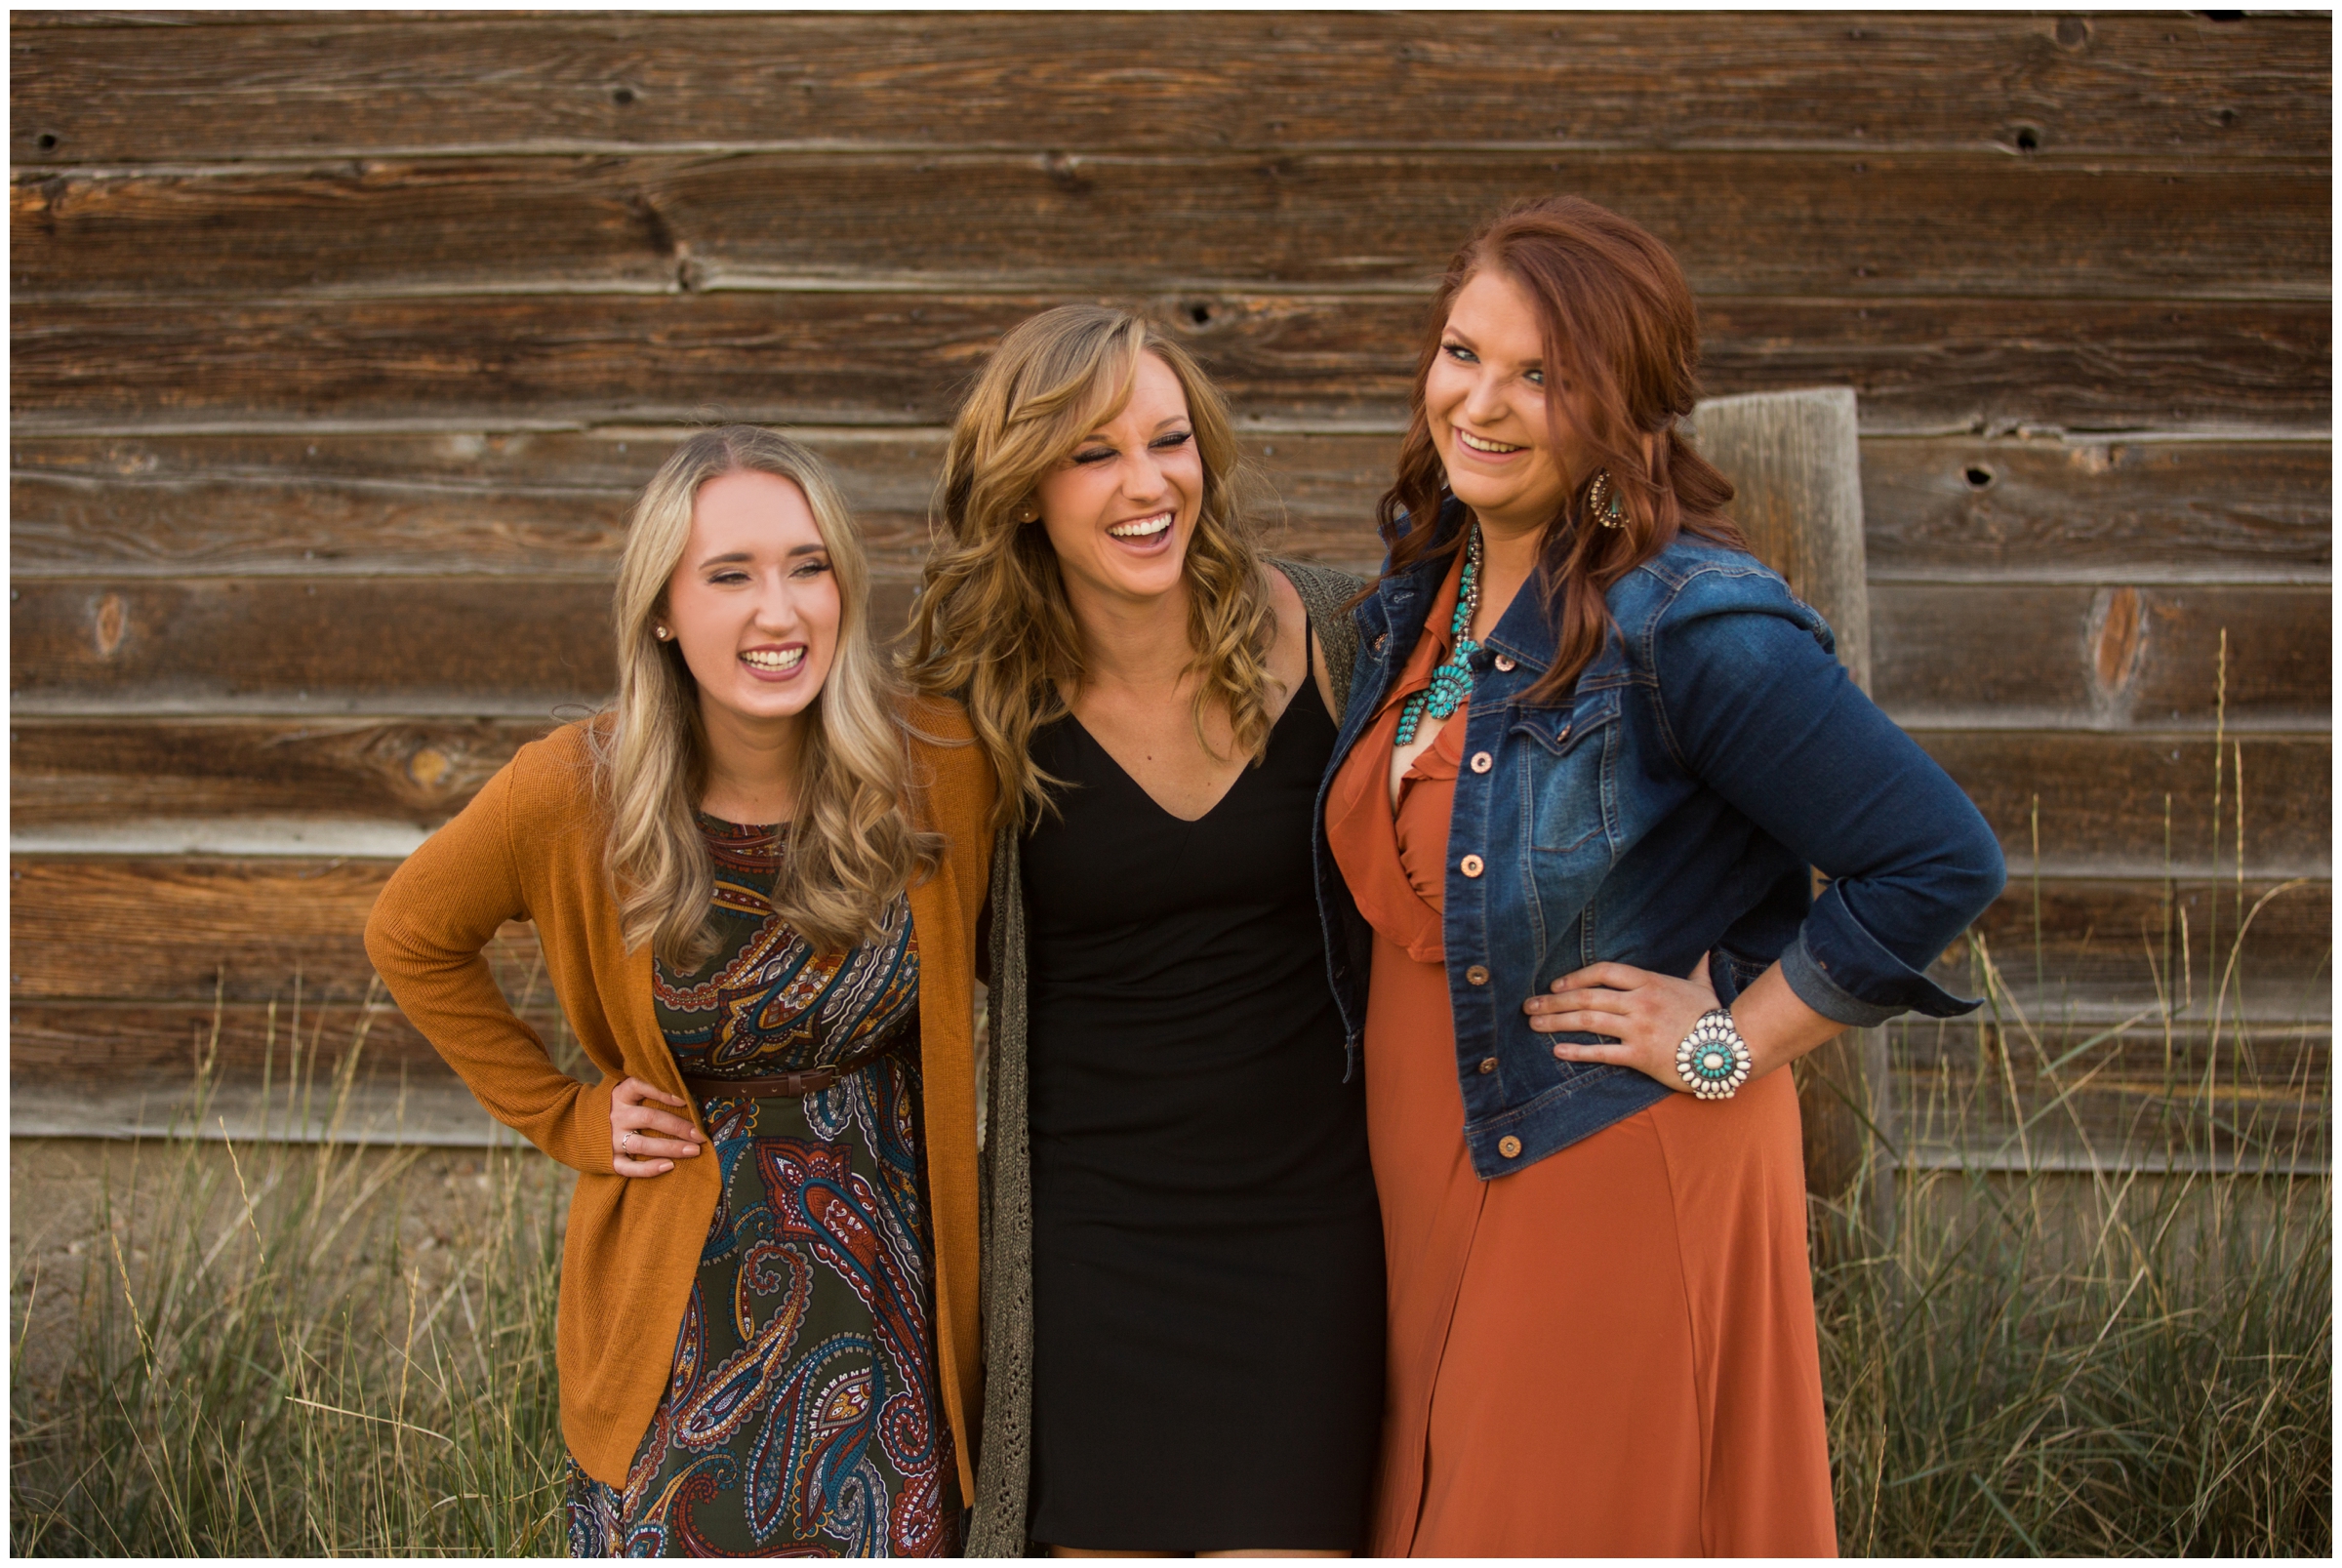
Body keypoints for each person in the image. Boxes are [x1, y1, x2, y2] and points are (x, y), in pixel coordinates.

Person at [1315, 195, 2008, 1555]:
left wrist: (1726, 1043)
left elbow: (1938, 857)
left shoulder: (1686, 619)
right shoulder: (1425, 592)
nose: (1485, 401)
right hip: (1427, 1149)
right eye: (1465, 352)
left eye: (1545, 376)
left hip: (1595, 1150)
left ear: (1628, 403)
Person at [364, 425, 994, 1556]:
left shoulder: (937, 759)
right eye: (731, 575)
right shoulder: (574, 790)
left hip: (897, 1295)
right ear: (661, 607)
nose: (781, 610)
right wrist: (563, 1114)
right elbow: (409, 932)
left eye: (809, 566)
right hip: (679, 1313)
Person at [901, 305, 1386, 1555]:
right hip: (1092, 1244)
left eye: (1169, 440)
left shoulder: (1345, 634)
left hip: (1314, 1231)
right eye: (1092, 452)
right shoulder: (969, 705)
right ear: (1022, 492)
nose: (1146, 482)